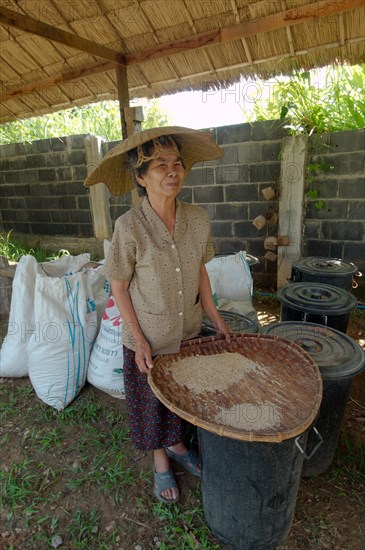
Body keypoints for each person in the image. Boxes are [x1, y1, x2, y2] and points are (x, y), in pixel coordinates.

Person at [96, 127, 231, 503]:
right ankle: (161, 460)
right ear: (141, 177)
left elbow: (201, 271)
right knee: (152, 401)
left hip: (187, 330)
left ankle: (178, 446)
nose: (172, 172)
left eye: (177, 164)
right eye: (159, 165)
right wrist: (138, 339)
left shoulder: (198, 219)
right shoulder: (128, 228)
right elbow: (119, 287)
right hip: (148, 336)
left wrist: (216, 319)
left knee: (181, 395)